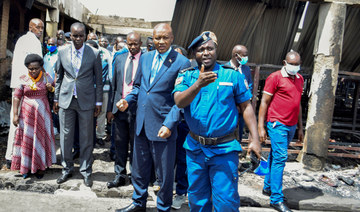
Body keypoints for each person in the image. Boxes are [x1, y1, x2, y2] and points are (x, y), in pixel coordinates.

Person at [172, 31, 262, 212]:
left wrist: (255, 138)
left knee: (226, 201)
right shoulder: (187, 76)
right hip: (196, 149)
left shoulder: (232, 76)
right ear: (194, 54)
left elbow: (246, 107)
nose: (205, 52)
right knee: (198, 201)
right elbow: (179, 101)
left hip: (224, 149)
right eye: (200, 50)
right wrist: (198, 84)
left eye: (209, 48)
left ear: (216, 50)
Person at [116, 23, 191, 212]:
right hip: (141, 122)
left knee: (164, 174)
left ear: (172, 39)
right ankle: (138, 202)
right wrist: (128, 100)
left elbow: (180, 100)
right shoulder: (146, 58)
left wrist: (170, 123)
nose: (161, 42)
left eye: (165, 38)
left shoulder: (181, 62)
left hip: (163, 126)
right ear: (152, 39)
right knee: (139, 168)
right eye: (157, 38)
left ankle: (163, 207)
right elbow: (140, 87)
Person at [54, 22, 103, 188]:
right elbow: (59, 77)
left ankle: (86, 171)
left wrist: (98, 102)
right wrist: (56, 99)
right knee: (66, 137)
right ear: (70, 35)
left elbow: (99, 80)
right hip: (66, 100)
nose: (78, 39)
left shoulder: (94, 53)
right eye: (75, 35)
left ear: (85, 35)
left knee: (86, 137)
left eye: (81, 35)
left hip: (87, 101)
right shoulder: (61, 52)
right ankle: (66, 169)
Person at [258, 51, 304, 212]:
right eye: (291, 64)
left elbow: (298, 104)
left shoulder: (299, 79)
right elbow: (264, 102)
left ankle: (268, 187)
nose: (294, 67)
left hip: (291, 124)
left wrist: (300, 128)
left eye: (297, 64)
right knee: (281, 157)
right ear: (285, 62)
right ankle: (276, 199)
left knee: (275, 155)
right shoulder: (275, 77)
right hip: (277, 123)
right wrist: (260, 126)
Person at [6, 18, 44, 170]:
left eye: (42, 28)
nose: (40, 31)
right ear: (31, 27)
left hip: (20, 86)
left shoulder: (23, 40)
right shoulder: (32, 42)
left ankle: (14, 155)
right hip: (26, 88)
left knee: (17, 123)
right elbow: (35, 67)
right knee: (21, 123)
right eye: (38, 28)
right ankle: (16, 157)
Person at [106, 32, 143, 189]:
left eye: (136, 44)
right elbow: (114, 85)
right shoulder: (120, 58)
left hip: (138, 109)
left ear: (140, 43)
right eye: (130, 44)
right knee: (120, 144)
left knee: (136, 145)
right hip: (119, 109)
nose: (133, 47)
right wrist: (110, 109)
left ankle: (135, 176)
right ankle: (119, 175)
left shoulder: (146, 60)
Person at [11, 54, 56, 179]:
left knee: (40, 138)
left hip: (43, 114)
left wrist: (50, 88)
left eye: (36, 68)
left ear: (41, 67)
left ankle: (40, 168)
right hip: (26, 115)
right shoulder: (23, 79)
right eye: (31, 69)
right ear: (27, 68)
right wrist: (15, 114)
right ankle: (25, 167)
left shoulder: (47, 78)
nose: (33, 71)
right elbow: (17, 97)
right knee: (27, 138)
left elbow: (55, 90)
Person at [87, 33, 113, 146]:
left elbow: (110, 70)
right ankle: (88, 137)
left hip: (104, 89)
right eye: (91, 39)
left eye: (94, 39)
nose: (94, 40)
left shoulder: (105, 52)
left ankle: (99, 135)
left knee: (102, 112)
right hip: (88, 89)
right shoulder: (82, 51)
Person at [224, 45, 254, 142]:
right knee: (227, 134)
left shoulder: (246, 69)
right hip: (229, 109)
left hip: (242, 109)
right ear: (236, 55)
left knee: (238, 135)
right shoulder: (224, 69)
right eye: (244, 55)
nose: (246, 58)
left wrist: (243, 104)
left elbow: (249, 86)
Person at [43, 37, 60, 138]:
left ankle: (56, 128)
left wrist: (54, 86)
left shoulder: (58, 56)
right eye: (49, 44)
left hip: (55, 86)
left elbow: (57, 73)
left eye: (52, 44)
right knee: (48, 107)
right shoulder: (46, 56)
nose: (50, 46)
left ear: (56, 45)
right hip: (46, 85)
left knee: (55, 107)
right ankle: (49, 127)